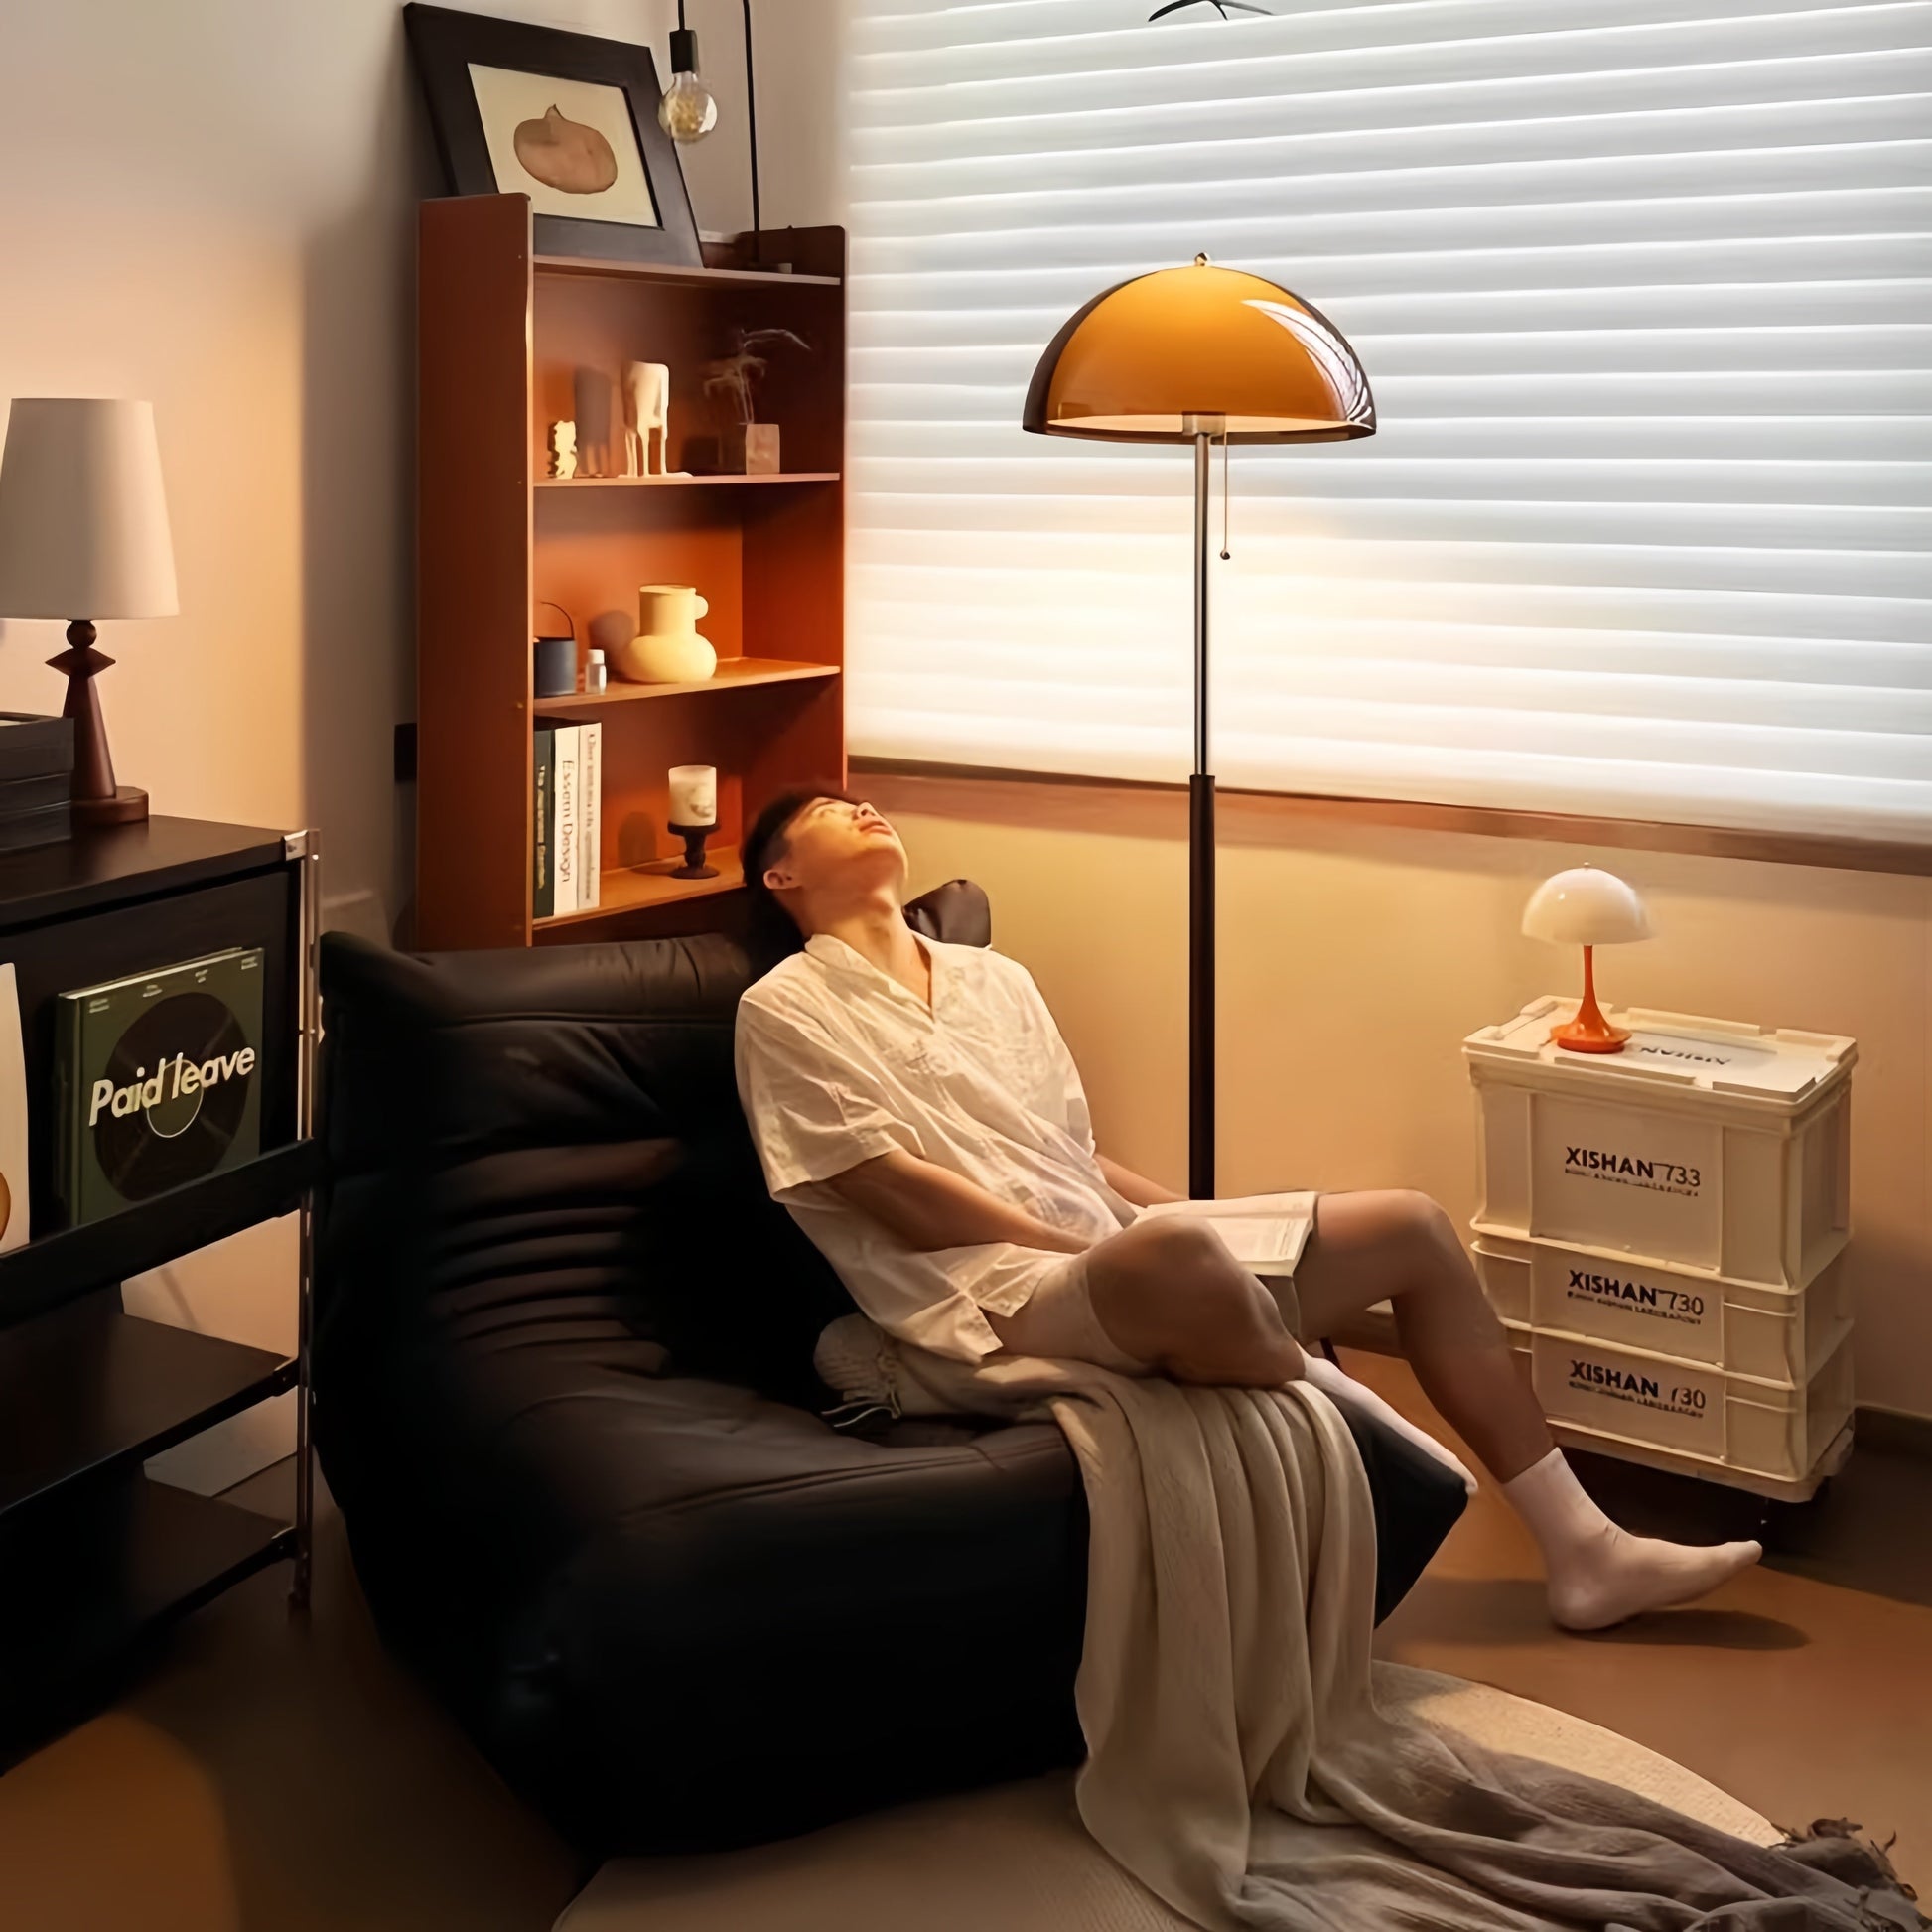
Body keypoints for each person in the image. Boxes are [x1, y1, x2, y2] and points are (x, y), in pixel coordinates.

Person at [732, 785, 1761, 1632]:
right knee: (1172, 1253)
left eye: (867, 799)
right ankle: (1358, 1416)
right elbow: (891, 1193)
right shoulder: (781, 1007)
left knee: (1407, 1222)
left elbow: (1076, 1152)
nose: (864, 806)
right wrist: (1115, 1238)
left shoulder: (994, 977)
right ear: (779, 873)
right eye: (830, 807)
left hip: (1118, 1252)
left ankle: (1583, 1548)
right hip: (990, 1289)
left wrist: (1202, 1216)